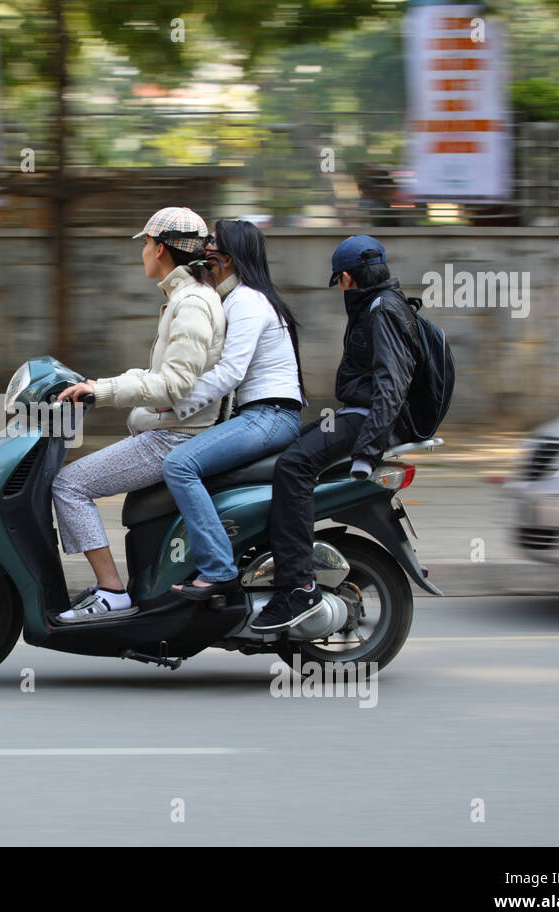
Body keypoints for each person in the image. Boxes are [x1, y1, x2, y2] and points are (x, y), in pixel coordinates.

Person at [53, 207, 226, 620]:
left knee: (69, 485)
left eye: (146, 244)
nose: (143, 252)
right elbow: (159, 376)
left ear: (162, 248)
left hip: (175, 437)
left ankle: (111, 592)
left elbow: (174, 385)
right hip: (167, 429)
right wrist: (95, 384)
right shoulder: (183, 300)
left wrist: (104, 392)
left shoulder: (191, 304)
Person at [250, 235, 422, 633]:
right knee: (282, 453)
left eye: (338, 282)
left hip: (369, 421)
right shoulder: (380, 306)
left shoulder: (382, 311)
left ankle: (298, 586)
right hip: (359, 415)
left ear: (347, 278)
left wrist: (368, 448)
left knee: (293, 467)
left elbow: (392, 385)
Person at [157, 218, 305, 601]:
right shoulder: (235, 297)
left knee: (180, 465)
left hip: (269, 416)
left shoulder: (247, 301)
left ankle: (219, 570)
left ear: (231, 255)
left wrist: (175, 404)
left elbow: (229, 373)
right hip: (259, 416)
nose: (204, 249)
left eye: (212, 243)